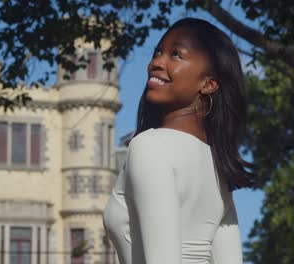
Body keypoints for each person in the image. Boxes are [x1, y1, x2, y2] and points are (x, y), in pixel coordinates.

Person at [103, 17, 258, 264]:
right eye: (158, 52)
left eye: (176, 54)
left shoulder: (150, 147)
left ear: (209, 84)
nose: (156, 62)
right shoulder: (217, 167)